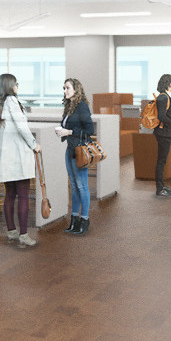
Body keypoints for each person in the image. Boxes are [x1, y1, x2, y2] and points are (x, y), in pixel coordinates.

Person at [0, 73, 42, 248]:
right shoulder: (12, 101)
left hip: (5, 156)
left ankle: (11, 231)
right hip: (18, 155)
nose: (18, 87)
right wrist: (34, 144)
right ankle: (24, 235)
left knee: (10, 194)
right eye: (16, 84)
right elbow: (22, 126)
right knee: (24, 195)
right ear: (10, 86)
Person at [56, 78, 96, 235]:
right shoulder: (69, 107)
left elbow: (90, 130)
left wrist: (69, 132)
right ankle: (74, 219)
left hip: (80, 152)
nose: (65, 91)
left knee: (82, 186)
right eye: (64, 88)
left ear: (76, 90)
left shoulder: (82, 107)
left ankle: (84, 219)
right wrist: (62, 131)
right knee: (73, 186)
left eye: (67, 88)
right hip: (70, 150)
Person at [153, 73, 171, 197]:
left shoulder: (165, 97)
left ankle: (162, 186)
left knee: (162, 161)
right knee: (161, 161)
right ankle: (159, 188)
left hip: (165, 133)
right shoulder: (163, 98)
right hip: (163, 133)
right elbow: (162, 116)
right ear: (167, 83)